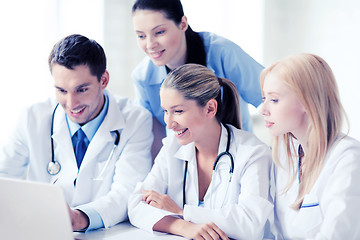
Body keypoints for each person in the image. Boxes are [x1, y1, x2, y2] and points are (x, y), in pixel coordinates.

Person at [0, 34, 153, 231]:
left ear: (104, 80)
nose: (71, 105)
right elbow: (3, 178)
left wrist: (79, 218)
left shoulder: (136, 120)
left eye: (81, 90)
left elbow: (128, 191)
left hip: (106, 233)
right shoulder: (32, 118)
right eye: (62, 91)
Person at [128, 63, 273, 240]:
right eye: (166, 111)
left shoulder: (253, 153)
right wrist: (182, 226)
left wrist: (181, 212)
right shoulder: (173, 147)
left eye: (178, 111)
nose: (169, 122)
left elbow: (249, 224)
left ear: (210, 108)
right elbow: (136, 204)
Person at [131, 0, 263, 158]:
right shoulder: (142, 78)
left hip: (238, 157)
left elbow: (270, 98)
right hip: (186, 166)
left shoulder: (222, 53)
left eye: (159, 32)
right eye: (141, 36)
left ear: (183, 24)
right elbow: (154, 142)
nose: (150, 44)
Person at [260, 53, 360, 239]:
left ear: (308, 101)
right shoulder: (284, 155)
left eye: (274, 100)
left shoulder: (348, 158)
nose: (262, 110)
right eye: (263, 98)